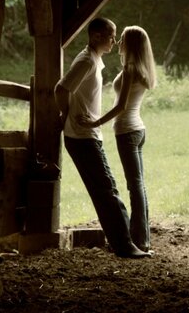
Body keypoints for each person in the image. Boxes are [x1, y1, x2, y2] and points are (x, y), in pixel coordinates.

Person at [54, 17, 151, 259]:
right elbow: (61, 88)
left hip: (90, 134)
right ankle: (126, 245)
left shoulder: (95, 60)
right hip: (82, 135)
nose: (115, 40)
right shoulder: (87, 60)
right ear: (96, 36)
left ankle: (123, 242)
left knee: (104, 190)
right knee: (107, 190)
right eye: (110, 36)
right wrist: (65, 115)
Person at [79, 25, 157, 253]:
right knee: (137, 185)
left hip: (127, 132)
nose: (118, 42)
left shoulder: (131, 68)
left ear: (130, 43)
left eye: (121, 38)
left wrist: (94, 122)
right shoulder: (139, 67)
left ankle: (140, 240)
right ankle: (140, 237)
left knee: (135, 187)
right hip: (137, 130)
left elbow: (121, 106)